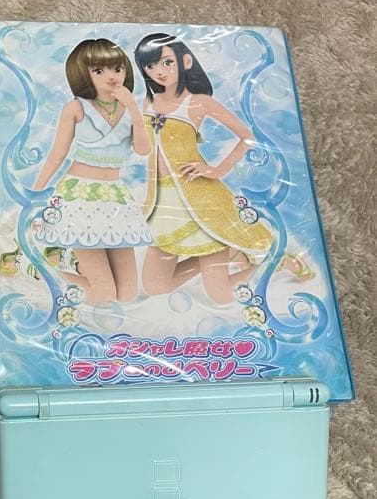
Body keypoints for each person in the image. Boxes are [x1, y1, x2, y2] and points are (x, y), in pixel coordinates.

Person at [134, 33, 285, 304]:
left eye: (167, 62)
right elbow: (147, 152)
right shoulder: (149, 102)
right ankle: (230, 252)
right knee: (156, 286)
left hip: (200, 199)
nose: (159, 71)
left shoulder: (198, 102)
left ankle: (274, 263)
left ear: (185, 61)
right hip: (162, 201)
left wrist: (217, 170)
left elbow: (247, 136)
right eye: (150, 66)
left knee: (221, 294)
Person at [32, 38, 151, 306]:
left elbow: (143, 149)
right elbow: (58, 153)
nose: (112, 76)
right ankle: (40, 270)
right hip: (79, 195)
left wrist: (133, 108)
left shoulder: (130, 107)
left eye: (117, 69)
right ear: (83, 74)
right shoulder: (76, 107)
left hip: (115, 197)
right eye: (99, 71)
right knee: (103, 293)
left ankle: (73, 263)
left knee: (127, 294)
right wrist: (37, 195)